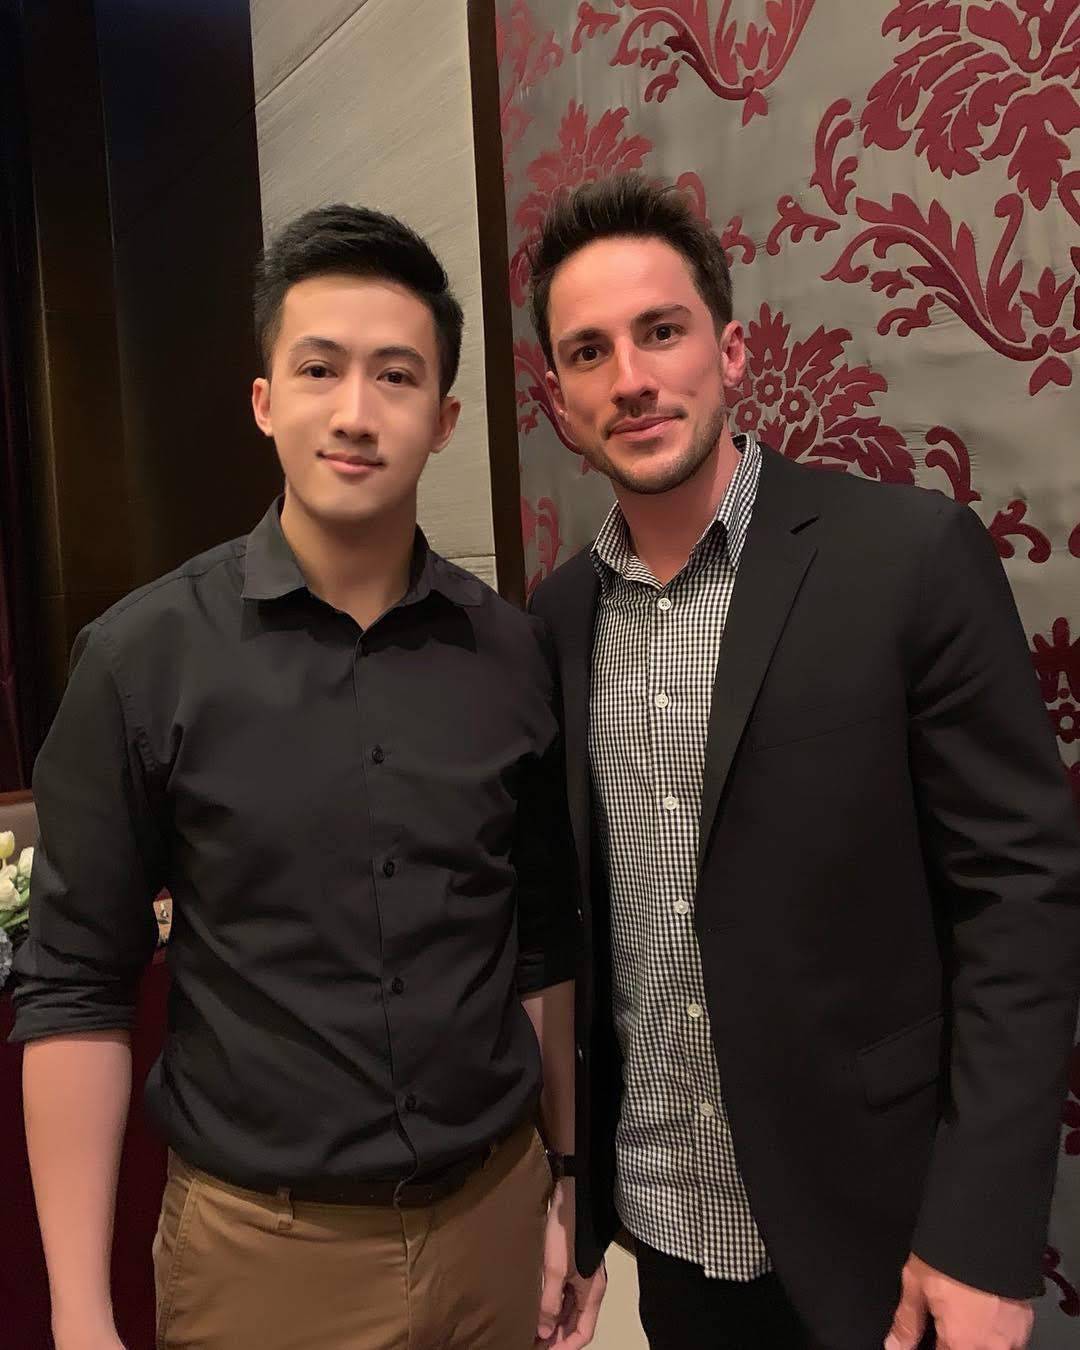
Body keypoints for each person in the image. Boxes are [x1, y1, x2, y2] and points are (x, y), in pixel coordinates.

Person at [12, 203, 604, 1350]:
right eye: (319, 368)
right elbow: (76, 985)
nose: (354, 412)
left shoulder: (512, 652)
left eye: (396, 377)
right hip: (263, 1259)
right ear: (264, 400)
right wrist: (79, 1313)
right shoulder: (141, 659)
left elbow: (541, 942)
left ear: (444, 419)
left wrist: (567, 1180)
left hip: (494, 1217)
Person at [525, 172, 1080, 1350]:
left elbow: (1022, 899)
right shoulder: (555, 621)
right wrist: (567, 1189)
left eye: (661, 332)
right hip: (668, 1234)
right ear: (560, 402)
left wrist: (983, 1233)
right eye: (588, 352)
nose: (631, 378)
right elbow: (567, 927)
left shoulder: (908, 558)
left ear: (730, 352)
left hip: (884, 1235)